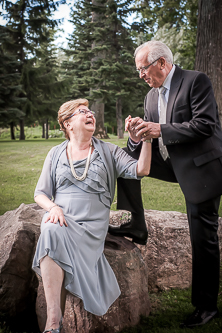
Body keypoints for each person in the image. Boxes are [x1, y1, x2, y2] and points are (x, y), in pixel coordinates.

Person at [108, 40, 222, 328]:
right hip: (170, 161)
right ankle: (136, 223)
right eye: (138, 70)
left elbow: (206, 124)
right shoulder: (150, 97)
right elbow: (150, 136)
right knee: (126, 159)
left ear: (161, 63)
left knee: (202, 238)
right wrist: (137, 134)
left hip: (201, 167)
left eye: (143, 68)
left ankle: (206, 307)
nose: (141, 75)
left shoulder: (196, 81)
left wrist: (160, 128)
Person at [32, 98, 152, 333]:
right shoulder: (55, 153)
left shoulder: (108, 150)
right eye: (82, 112)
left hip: (92, 227)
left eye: (91, 111)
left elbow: (142, 169)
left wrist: (146, 138)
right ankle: (53, 324)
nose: (90, 115)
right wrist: (53, 208)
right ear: (68, 123)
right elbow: (40, 193)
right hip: (63, 219)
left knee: (50, 231)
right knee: (50, 229)